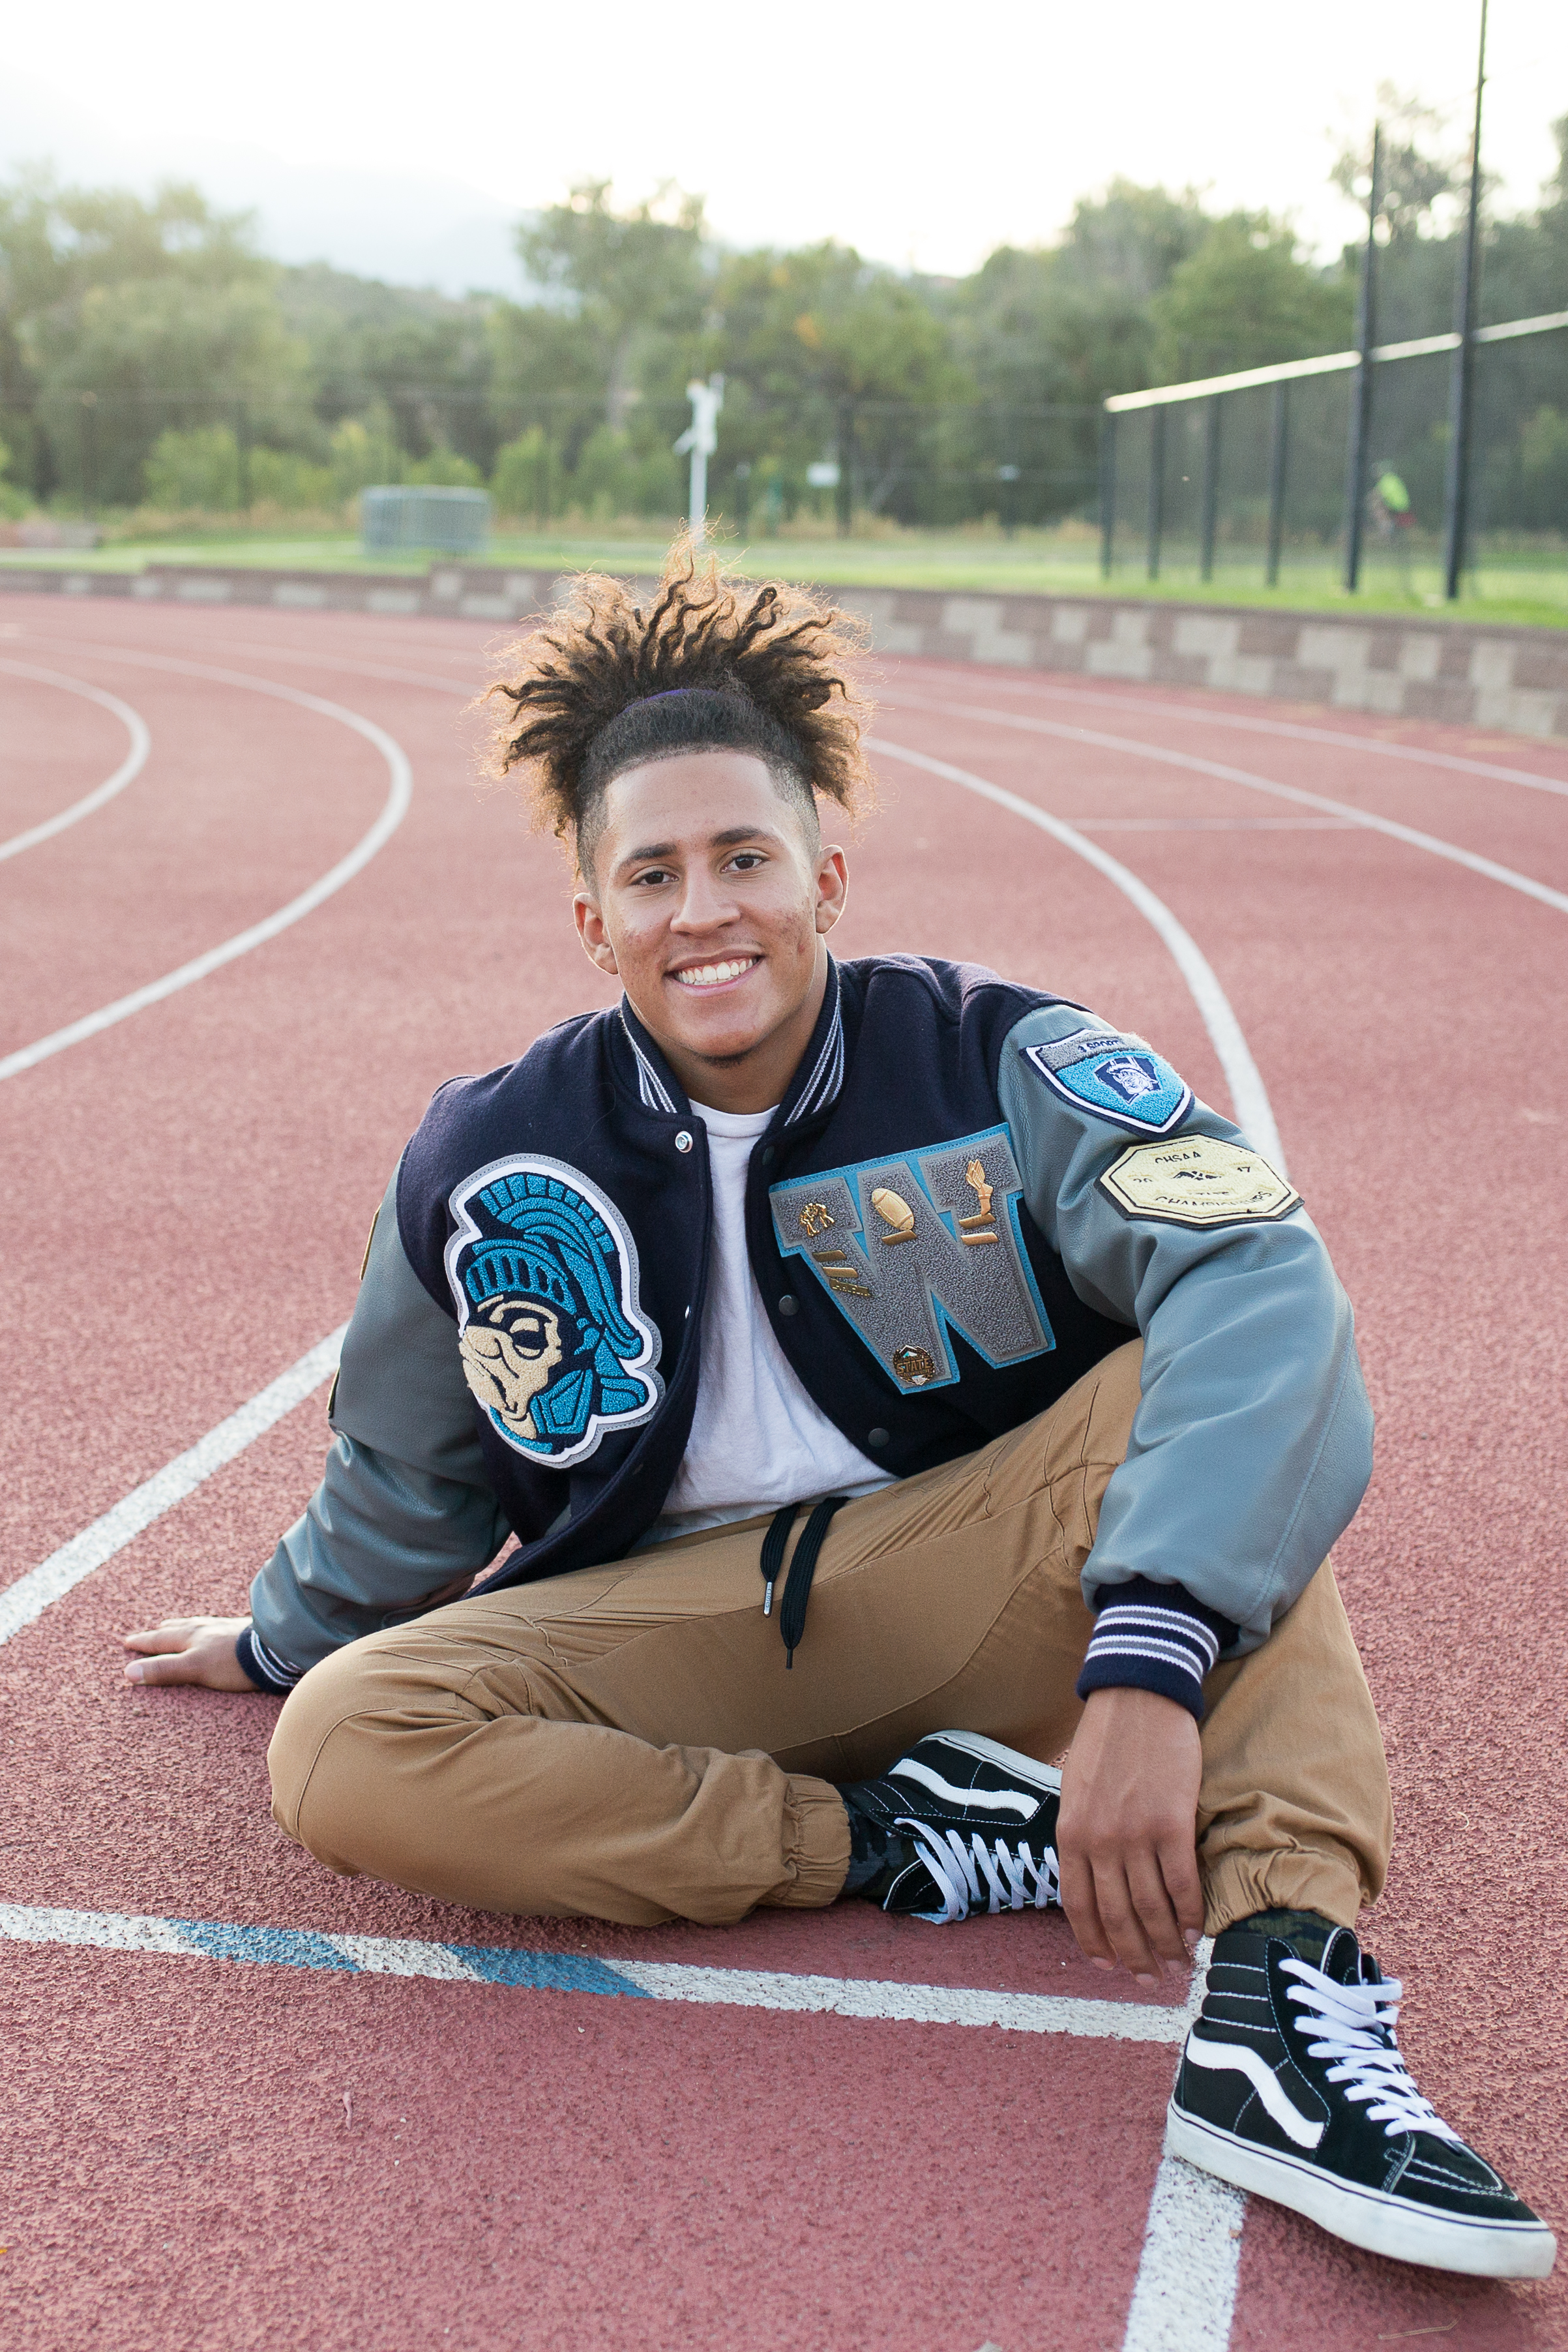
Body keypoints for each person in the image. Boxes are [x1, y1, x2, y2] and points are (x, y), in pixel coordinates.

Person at [123, 547, 1554, 2283]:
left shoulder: (1002, 1061)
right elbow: (409, 1472)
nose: (703, 910)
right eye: (652, 874)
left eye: (745, 858)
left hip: (980, 1574)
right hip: (684, 1629)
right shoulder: (488, 1156)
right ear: (594, 918)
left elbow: (1256, 1284)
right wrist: (284, 1634)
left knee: (1211, 1378)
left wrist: (1153, 1663)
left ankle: (1280, 1989)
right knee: (343, 1744)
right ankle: (903, 1835)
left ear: (827, 875)